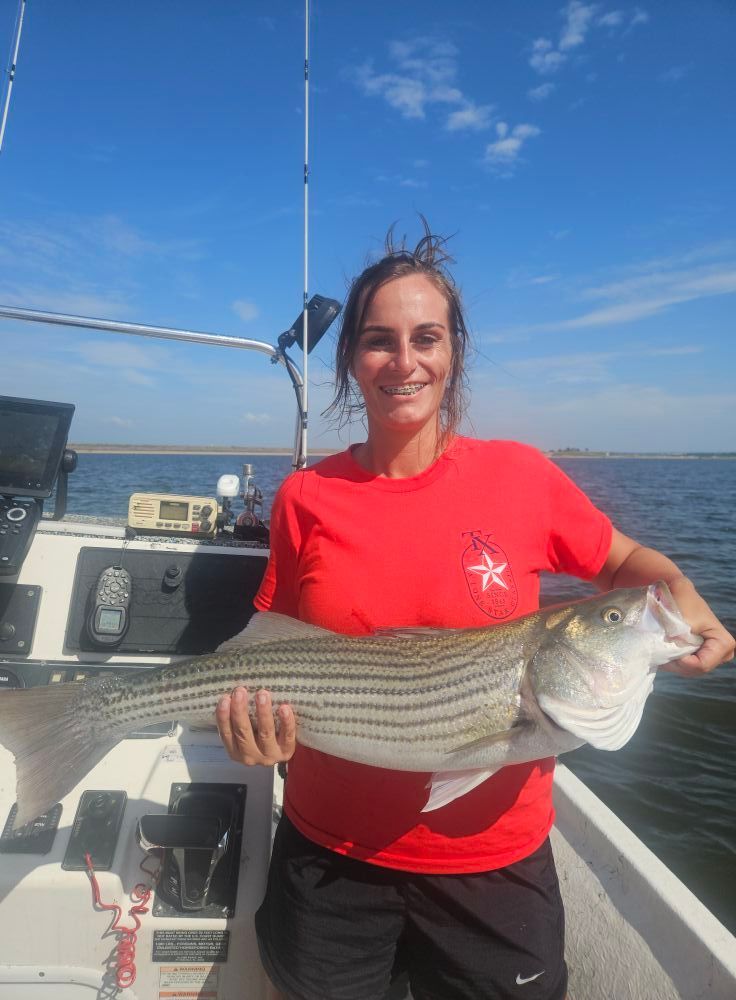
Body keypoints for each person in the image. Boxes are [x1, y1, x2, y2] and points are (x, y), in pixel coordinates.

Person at [216, 226, 735, 1000]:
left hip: (495, 865)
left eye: (426, 337)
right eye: (378, 341)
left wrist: (682, 603)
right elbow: (271, 647)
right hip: (328, 856)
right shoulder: (305, 496)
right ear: (351, 360)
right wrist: (246, 726)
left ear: (454, 350)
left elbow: (630, 568)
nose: (405, 361)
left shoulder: (521, 476)